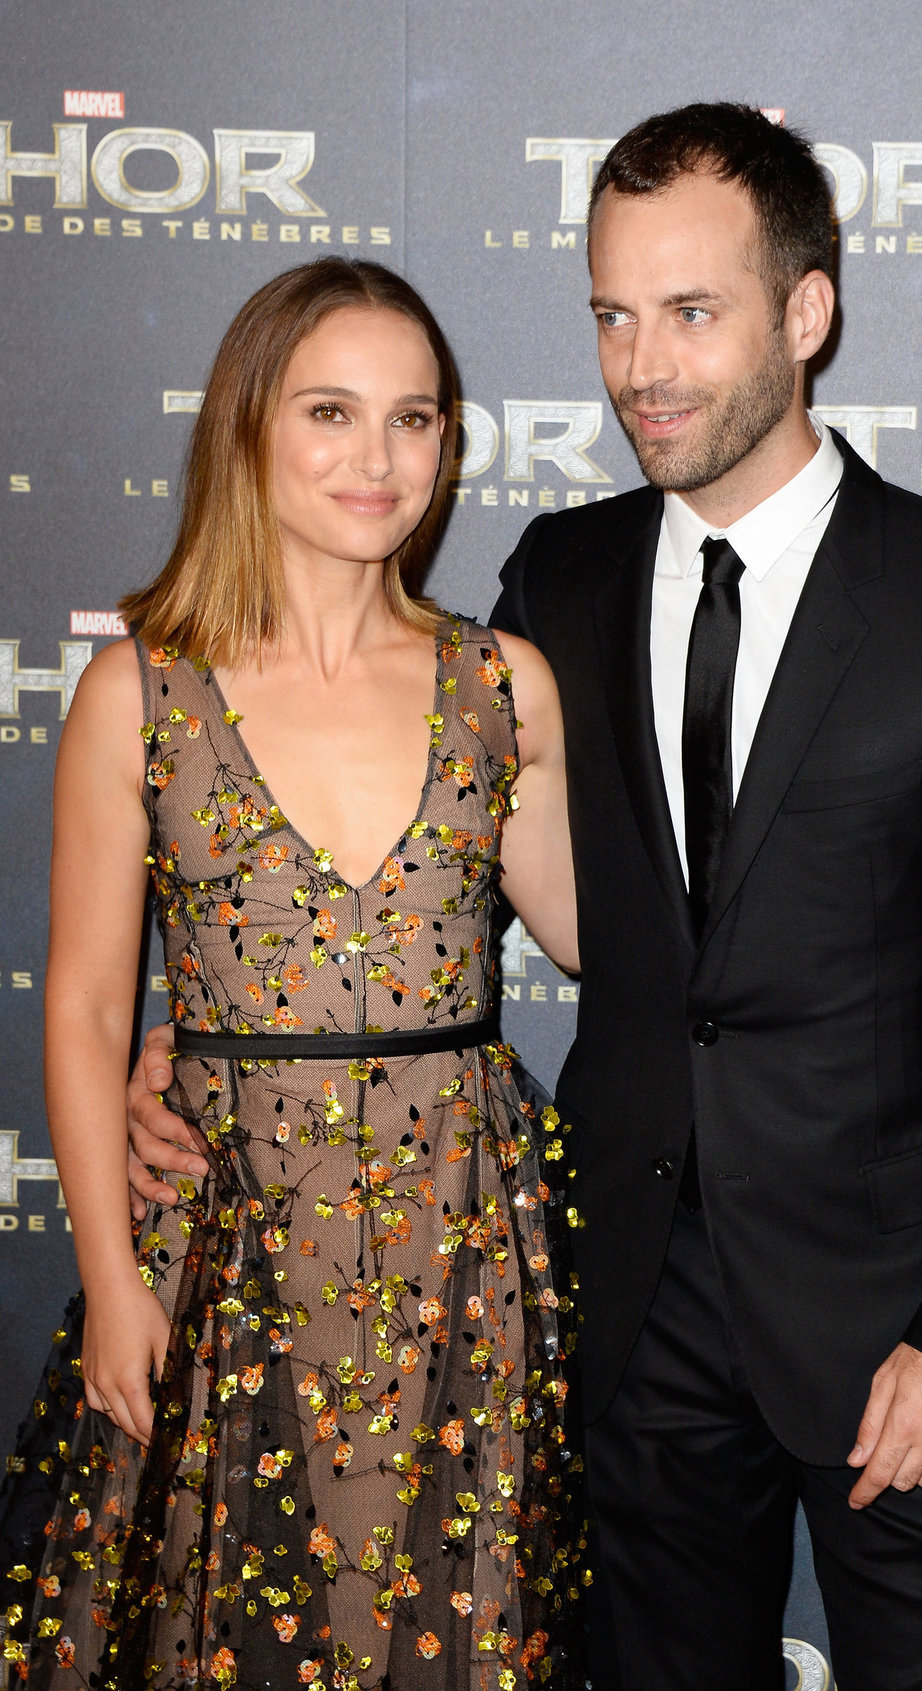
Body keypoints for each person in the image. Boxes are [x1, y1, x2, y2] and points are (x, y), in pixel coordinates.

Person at [124, 106, 922, 1691]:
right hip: (624, 1310)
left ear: (806, 314)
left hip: (900, 1333)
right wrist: (193, 1044)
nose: (640, 366)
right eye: (609, 314)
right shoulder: (557, 583)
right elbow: (421, 883)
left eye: (691, 312)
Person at [0, 257, 587, 1690]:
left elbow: (604, 944)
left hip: (467, 1256)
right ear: (250, 425)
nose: (378, 459)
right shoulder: (140, 688)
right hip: (223, 1244)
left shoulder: (502, 683)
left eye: (415, 418)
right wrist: (107, 1277)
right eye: (331, 412)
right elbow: (82, 1006)